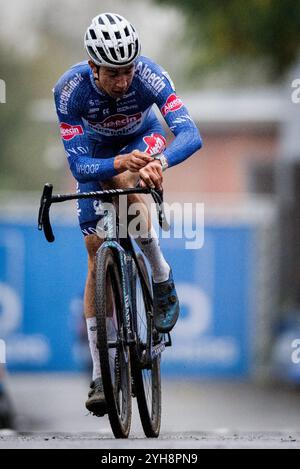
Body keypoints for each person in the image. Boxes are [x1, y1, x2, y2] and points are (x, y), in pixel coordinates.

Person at [53, 12, 202, 417]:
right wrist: (117, 162)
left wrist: (162, 163)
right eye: (113, 73)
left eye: (128, 71)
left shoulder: (149, 76)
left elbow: (191, 134)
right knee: (93, 249)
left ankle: (159, 272)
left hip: (143, 139)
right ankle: (102, 374)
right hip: (99, 157)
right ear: (92, 67)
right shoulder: (69, 91)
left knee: (133, 174)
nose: (122, 81)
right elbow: (80, 166)